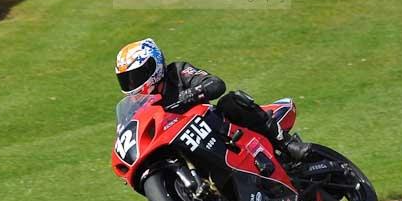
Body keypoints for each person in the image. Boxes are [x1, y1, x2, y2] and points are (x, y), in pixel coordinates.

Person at [115, 38, 311, 163]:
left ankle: (286, 144)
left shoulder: (177, 71)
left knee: (230, 101)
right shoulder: (141, 102)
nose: (134, 83)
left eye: (138, 75)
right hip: (184, 142)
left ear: (155, 65)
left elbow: (216, 84)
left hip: (213, 126)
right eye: (127, 79)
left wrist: (193, 92)